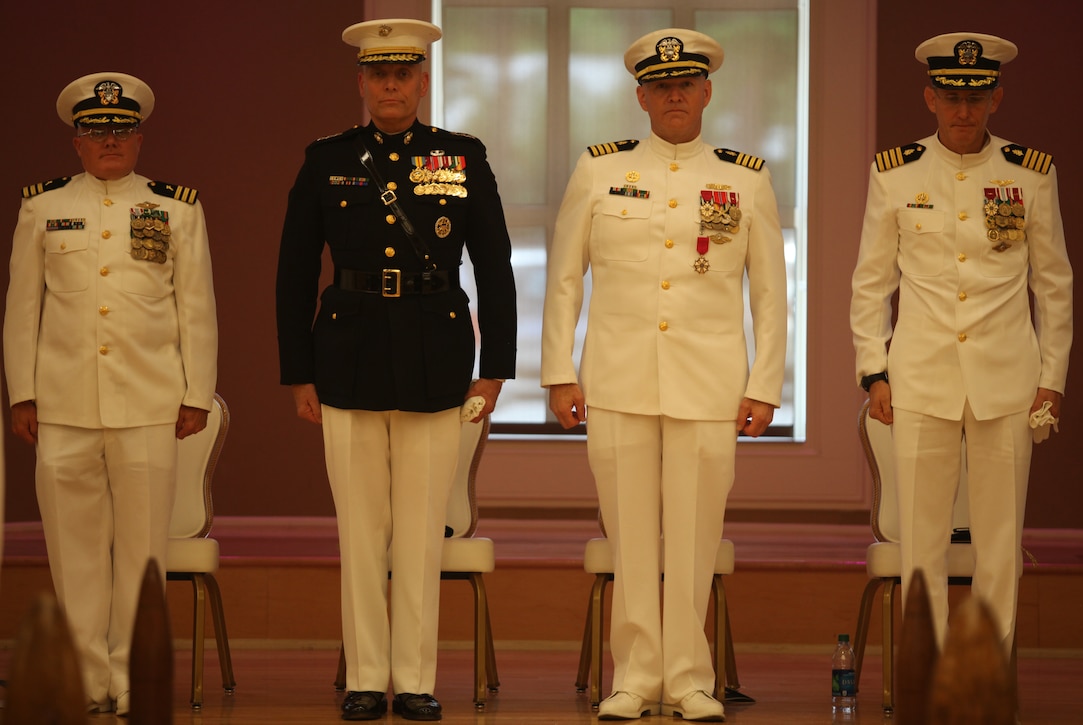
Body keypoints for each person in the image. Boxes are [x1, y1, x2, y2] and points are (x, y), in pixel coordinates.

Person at [541, 28, 787, 722]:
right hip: (617, 378)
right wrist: (559, 371)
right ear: (642, 95)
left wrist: (765, 382)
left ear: (707, 91)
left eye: (687, 84)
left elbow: (770, 294)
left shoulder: (746, 176)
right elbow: (565, 278)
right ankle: (634, 675)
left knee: (694, 536)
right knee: (628, 533)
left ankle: (688, 677)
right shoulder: (598, 169)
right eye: (662, 85)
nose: (675, 95)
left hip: (710, 383)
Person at [275, 18, 517, 722]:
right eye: (377, 74)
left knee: (420, 531)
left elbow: (494, 268)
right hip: (343, 358)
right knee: (359, 530)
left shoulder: (461, 157)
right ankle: (363, 678)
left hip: (436, 359)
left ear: (422, 80)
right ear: (361, 83)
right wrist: (299, 373)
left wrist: (495, 367)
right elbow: (294, 273)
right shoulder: (326, 160)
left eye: (402, 73)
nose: (390, 85)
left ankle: (412, 678)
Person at [3, 71, 219, 715]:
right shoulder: (41, 206)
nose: (109, 142)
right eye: (96, 133)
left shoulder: (175, 206)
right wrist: (22, 393)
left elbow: (196, 309)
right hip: (62, 405)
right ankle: (83, 676)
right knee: (72, 551)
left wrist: (196, 393)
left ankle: (130, 675)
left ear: (140, 137)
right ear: (76, 142)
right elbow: (21, 309)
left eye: (121, 131)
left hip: (149, 404)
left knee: (142, 551)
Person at [850, 32, 1073, 656]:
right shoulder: (894, 173)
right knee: (923, 538)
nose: (963, 111)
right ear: (930, 98)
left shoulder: (1030, 173)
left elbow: (1054, 284)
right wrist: (874, 372)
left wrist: (1051, 378)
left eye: (976, 98)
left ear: (996, 99)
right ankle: (927, 668)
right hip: (921, 377)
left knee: (1001, 539)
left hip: (1008, 379)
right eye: (950, 97)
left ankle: (990, 673)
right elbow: (871, 282)